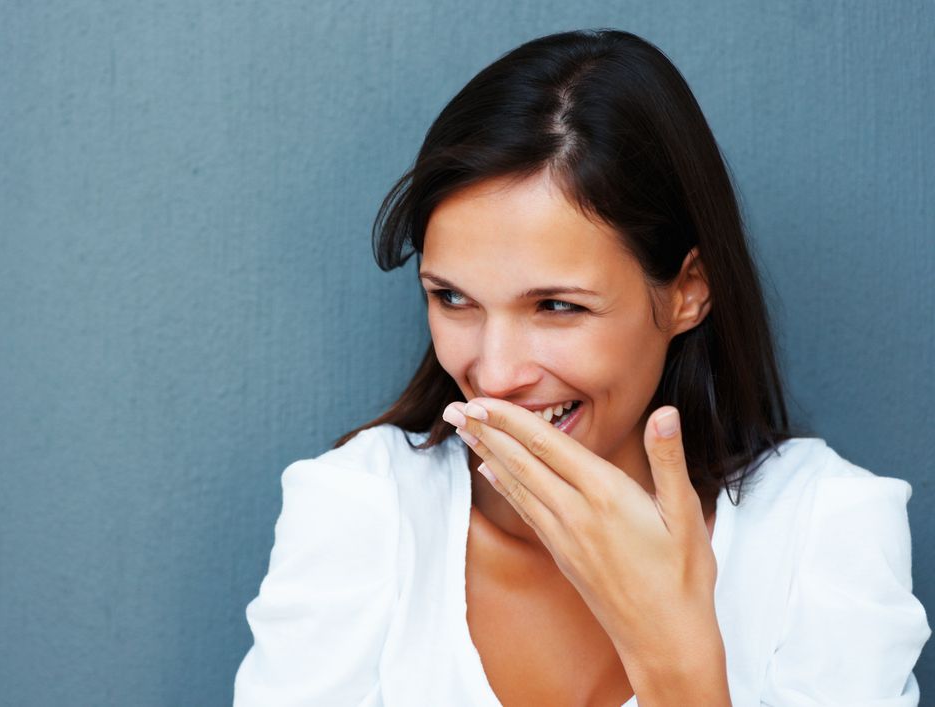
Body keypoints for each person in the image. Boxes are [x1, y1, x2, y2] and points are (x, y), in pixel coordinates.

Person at [233, 28, 931, 706]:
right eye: (452, 298)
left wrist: (674, 657)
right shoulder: (361, 510)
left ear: (689, 289)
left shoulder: (825, 531)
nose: (497, 374)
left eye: (558, 306)